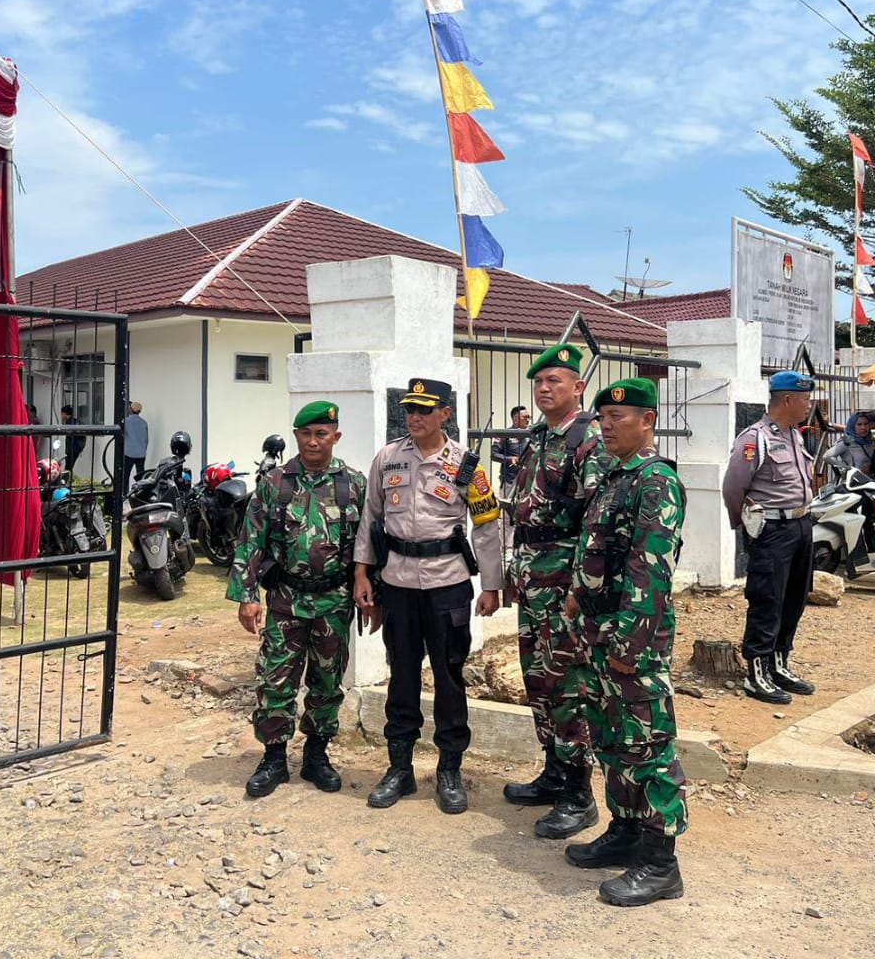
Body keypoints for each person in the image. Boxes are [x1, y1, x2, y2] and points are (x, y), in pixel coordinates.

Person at [564, 377, 688, 907]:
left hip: (630, 638)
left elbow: (650, 571)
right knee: (611, 739)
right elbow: (598, 550)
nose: (608, 426)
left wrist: (629, 645)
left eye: (620, 418)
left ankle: (661, 863)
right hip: (599, 631)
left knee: (648, 746)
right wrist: (576, 594)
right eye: (603, 419)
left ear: (648, 422)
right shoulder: (615, 477)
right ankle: (625, 831)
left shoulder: (655, 481)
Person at [353, 377, 503, 814]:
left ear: (445, 414)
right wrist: (362, 573)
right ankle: (399, 768)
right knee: (401, 674)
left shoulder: (466, 465)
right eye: (409, 409)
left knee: (450, 677)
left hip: (447, 583)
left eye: (424, 409)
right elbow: (371, 519)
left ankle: (449, 770)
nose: (414, 417)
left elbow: (488, 526)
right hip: (397, 584)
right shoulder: (388, 458)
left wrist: (491, 585)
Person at [229, 400, 366, 798]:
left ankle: (316, 755)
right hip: (286, 600)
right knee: (275, 679)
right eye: (305, 434)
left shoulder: (353, 484)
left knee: (327, 681)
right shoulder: (275, 484)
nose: (312, 441)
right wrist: (247, 595)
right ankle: (273, 758)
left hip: (335, 601)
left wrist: (369, 592)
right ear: (295, 437)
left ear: (335, 437)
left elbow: (367, 546)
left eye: (321, 434)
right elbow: (250, 540)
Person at [502, 344, 610, 841]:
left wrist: (579, 586)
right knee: (538, 681)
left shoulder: (589, 440)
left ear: (578, 387)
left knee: (569, 687)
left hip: (564, 583)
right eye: (539, 382)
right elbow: (524, 509)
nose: (544, 389)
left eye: (556, 381)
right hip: (532, 580)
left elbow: (596, 521)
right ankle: (553, 770)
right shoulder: (539, 437)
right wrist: (513, 568)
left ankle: (578, 793)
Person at [721, 371, 817, 705]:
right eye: (805, 399)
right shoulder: (754, 438)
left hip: (801, 525)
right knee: (768, 599)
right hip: (773, 531)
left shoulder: (796, 436)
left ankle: (780, 663)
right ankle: (757, 673)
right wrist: (744, 524)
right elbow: (733, 487)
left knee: (795, 597)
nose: (809, 405)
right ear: (787, 399)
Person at [491, 404, 531, 494]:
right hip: (509, 481)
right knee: (508, 507)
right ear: (516, 419)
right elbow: (493, 455)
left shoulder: (530, 435)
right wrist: (510, 459)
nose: (528, 420)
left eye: (529, 417)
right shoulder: (505, 434)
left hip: (526, 481)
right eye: (525, 417)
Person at [822, 412, 875, 476]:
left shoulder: (872, 442)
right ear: (853, 426)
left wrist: (871, 465)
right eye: (859, 424)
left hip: (872, 481)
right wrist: (848, 468)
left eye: (866, 424)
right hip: (854, 483)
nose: (863, 427)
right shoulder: (846, 443)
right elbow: (827, 456)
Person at [124, 402, 149, 496]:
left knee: (125, 475)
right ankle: (141, 494)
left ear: (130, 409)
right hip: (141, 453)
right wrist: (143, 449)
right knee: (141, 476)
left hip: (129, 453)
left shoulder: (126, 421)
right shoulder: (144, 423)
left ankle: (124, 495)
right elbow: (146, 439)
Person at [61, 404, 86, 476]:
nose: (62, 416)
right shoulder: (74, 421)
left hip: (73, 449)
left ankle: (66, 482)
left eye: (62, 414)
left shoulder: (70, 423)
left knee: (68, 468)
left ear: (65, 413)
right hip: (74, 449)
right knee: (68, 467)